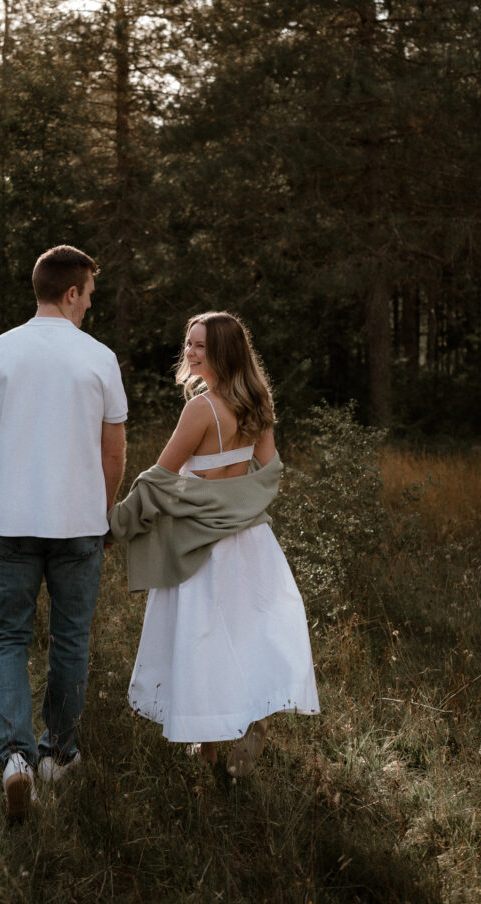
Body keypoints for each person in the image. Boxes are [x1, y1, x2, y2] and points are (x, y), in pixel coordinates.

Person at [109, 311, 318, 775]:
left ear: (223, 352)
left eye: (200, 345)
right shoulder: (256, 402)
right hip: (249, 539)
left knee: (200, 639)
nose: (189, 351)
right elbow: (268, 473)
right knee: (247, 636)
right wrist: (237, 505)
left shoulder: (201, 409)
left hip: (201, 544)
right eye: (188, 342)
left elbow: (160, 478)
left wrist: (118, 524)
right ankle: (251, 719)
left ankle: (208, 750)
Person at [0, 245, 127, 819]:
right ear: (72, 292)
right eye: (89, 298)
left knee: (9, 638)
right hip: (79, 523)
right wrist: (103, 512)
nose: (89, 309)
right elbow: (113, 450)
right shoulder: (100, 358)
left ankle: (15, 761)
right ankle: (58, 754)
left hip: (11, 522)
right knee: (70, 639)